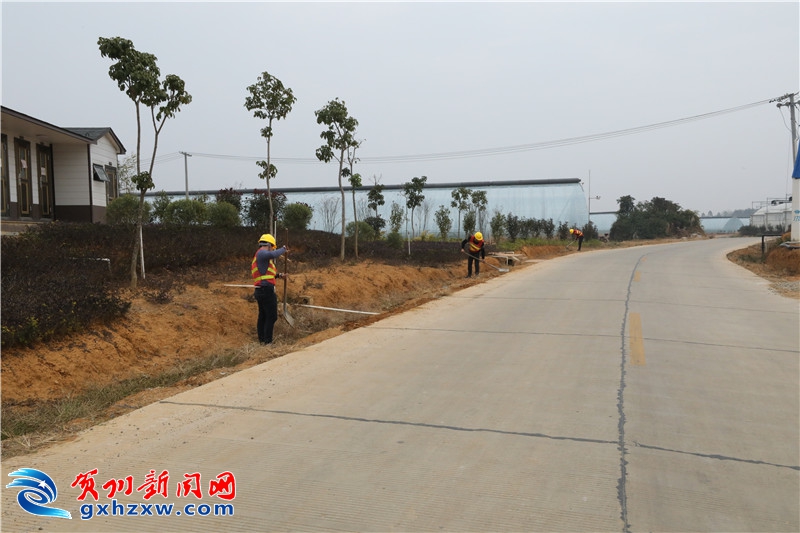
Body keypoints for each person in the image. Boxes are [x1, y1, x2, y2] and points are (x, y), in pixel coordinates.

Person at [252, 233, 289, 344]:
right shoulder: (262, 253)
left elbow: (265, 276)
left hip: (261, 290)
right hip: (266, 291)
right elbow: (273, 254)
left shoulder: (260, 256)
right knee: (271, 316)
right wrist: (283, 249)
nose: (272, 250)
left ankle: (262, 341)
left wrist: (278, 276)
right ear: (269, 245)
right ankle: (267, 342)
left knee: (263, 316)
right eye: (272, 247)